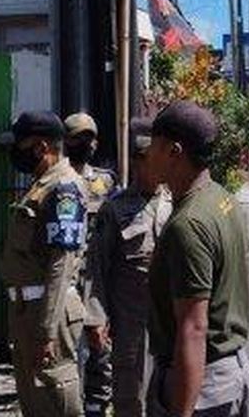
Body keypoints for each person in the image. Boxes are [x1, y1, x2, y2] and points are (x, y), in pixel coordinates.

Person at [141, 101, 249, 417]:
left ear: (174, 151)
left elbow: (193, 328)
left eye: (154, 145)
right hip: (230, 372)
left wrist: (181, 411)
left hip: (200, 387)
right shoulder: (222, 199)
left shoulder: (188, 225)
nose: (148, 154)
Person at [0, 111, 88, 417]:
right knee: (34, 402)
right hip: (28, 311)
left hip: (49, 312)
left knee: (54, 395)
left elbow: (61, 264)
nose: (15, 154)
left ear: (40, 148)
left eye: (20, 146)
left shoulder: (63, 189)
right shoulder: (41, 186)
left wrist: (46, 330)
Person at [88, 118, 172, 417]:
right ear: (138, 162)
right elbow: (96, 267)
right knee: (131, 402)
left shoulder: (178, 203)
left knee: (173, 400)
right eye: (153, 160)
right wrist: (96, 319)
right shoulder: (114, 210)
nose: (161, 167)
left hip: (173, 327)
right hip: (132, 330)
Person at [63, 112, 118, 417]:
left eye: (89, 139)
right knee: (69, 358)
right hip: (67, 282)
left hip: (97, 281)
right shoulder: (55, 180)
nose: (85, 144)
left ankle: (97, 408)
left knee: (101, 353)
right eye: (78, 139)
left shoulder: (104, 182)